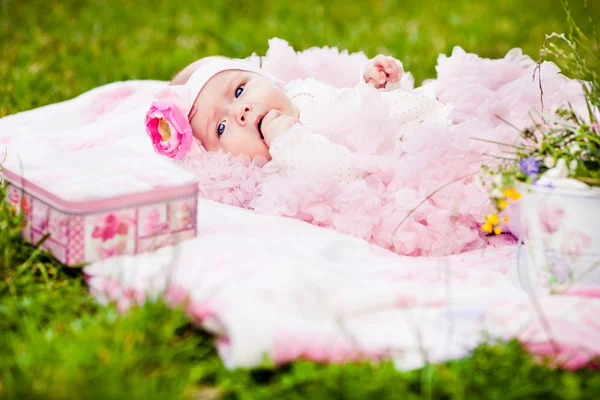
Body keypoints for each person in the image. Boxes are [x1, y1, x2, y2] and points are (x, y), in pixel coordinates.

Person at [145, 52, 451, 183]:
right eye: (221, 127)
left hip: (436, 115)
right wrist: (288, 141)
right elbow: (350, 172)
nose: (240, 111)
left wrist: (376, 84)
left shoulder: (302, 94)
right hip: (425, 164)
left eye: (239, 91)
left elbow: (359, 113)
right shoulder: (277, 168)